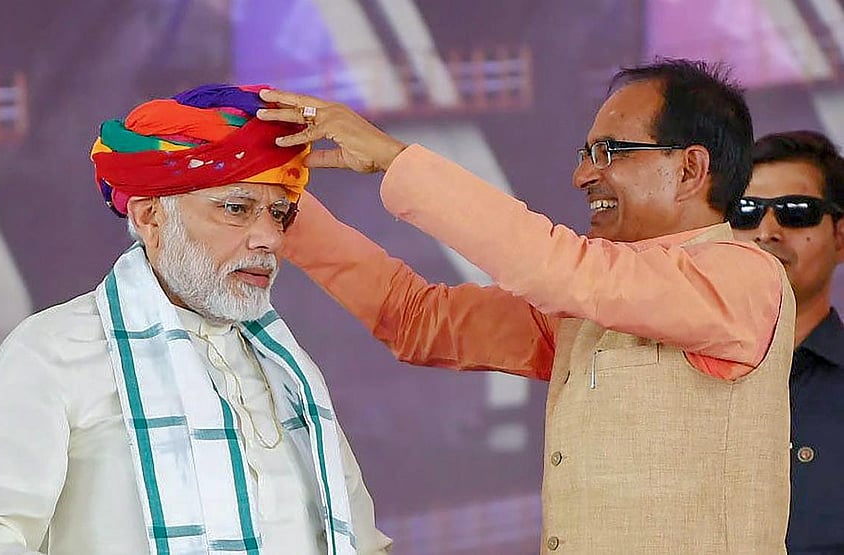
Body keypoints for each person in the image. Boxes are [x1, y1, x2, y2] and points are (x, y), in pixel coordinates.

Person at [255, 59, 795, 553]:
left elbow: (560, 269)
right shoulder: (591, 298)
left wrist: (395, 161)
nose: (582, 176)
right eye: (585, 155)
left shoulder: (742, 276)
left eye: (608, 152)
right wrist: (280, 204)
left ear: (689, 169)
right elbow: (417, 318)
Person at [0, 84, 392, 555]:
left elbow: (362, 539)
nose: (270, 239)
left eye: (279, 213)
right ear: (150, 217)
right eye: (237, 209)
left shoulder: (288, 368)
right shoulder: (52, 349)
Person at [729, 130, 844, 554]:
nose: (767, 230)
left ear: (840, 236)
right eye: (746, 211)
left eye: (796, 212)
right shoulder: (676, 378)